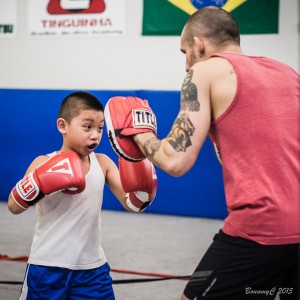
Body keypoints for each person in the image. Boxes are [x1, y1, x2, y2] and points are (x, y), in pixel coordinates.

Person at [104, 6, 300, 300]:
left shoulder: (204, 70)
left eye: (184, 51)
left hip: (259, 229)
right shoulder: (287, 72)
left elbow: (176, 160)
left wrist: (140, 134)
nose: (185, 64)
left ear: (199, 44)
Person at [7, 91, 157, 299]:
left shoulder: (103, 163)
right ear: (63, 126)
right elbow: (14, 206)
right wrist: (42, 180)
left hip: (92, 268)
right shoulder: (42, 163)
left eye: (100, 128)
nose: (95, 135)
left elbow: (132, 203)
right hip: (47, 266)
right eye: (87, 127)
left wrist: (140, 168)